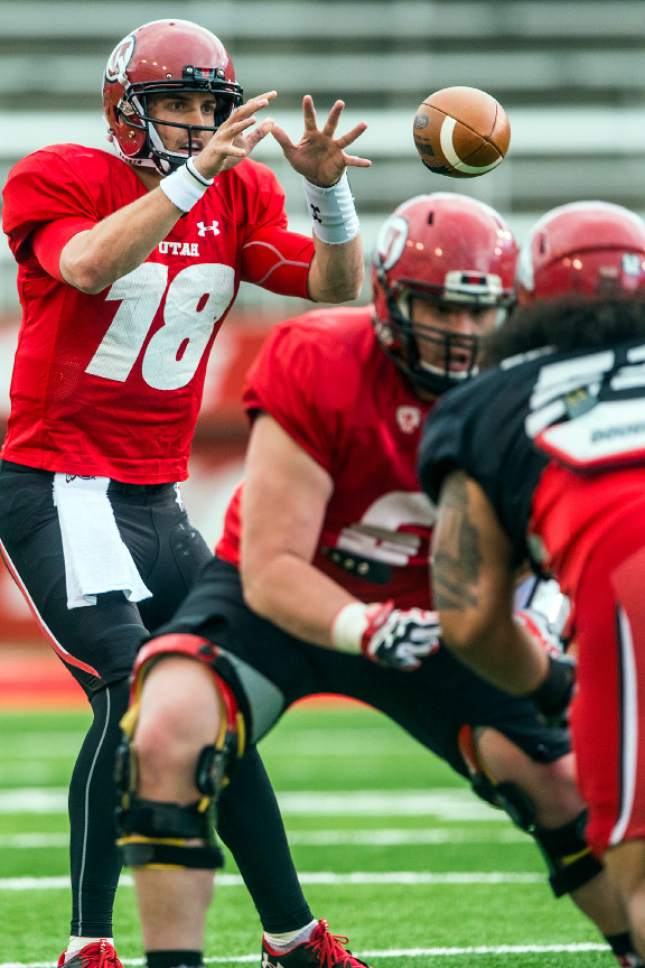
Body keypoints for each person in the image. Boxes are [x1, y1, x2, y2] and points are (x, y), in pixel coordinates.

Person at [121, 194, 639, 967]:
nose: (460, 333)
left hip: (444, 610)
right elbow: (270, 568)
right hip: (294, 600)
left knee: (557, 779)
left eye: (478, 313)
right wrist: (368, 627)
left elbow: (558, 536)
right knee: (165, 730)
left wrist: (533, 617)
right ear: (390, 296)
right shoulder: (318, 356)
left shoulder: (519, 391)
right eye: (438, 308)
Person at [0, 17, 370, 968]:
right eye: (172, 102)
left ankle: (291, 938)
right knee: (132, 693)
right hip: (59, 484)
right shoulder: (61, 174)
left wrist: (326, 196)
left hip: (158, 500)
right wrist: (192, 176)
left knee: (213, 694)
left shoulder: (238, 190)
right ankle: (87, 945)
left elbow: (334, 287)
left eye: (206, 105)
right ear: (125, 111)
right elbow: (85, 265)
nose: (194, 120)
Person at [419, 200, 645, 965]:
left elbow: (470, 617)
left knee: (641, 876)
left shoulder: (488, 404)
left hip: (630, 579)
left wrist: (553, 685)